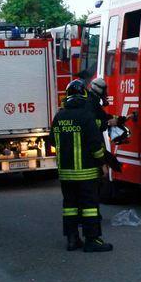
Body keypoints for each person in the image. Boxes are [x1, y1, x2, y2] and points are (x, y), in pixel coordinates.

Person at [52, 79, 113, 253]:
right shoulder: (86, 116)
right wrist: (102, 164)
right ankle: (92, 240)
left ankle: (72, 240)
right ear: (84, 95)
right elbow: (95, 145)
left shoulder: (59, 116)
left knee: (70, 206)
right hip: (86, 173)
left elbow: (51, 141)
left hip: (65, 174)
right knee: (90, 207)